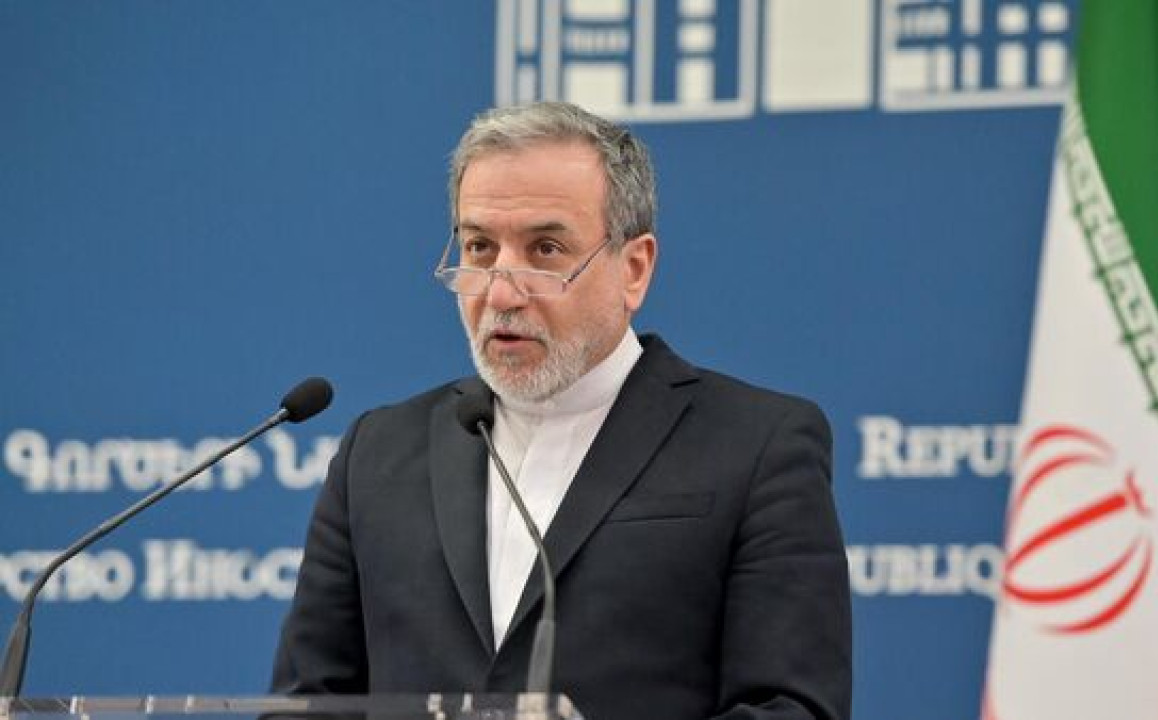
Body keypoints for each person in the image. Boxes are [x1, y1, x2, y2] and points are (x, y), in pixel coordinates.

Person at [271, 102, 852, 720]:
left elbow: (792, 710)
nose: (501, 291)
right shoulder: (376, 454)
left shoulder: (757, 446)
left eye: (545, 249)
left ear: (634, 269)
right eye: (479, 247)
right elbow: (304, 706)